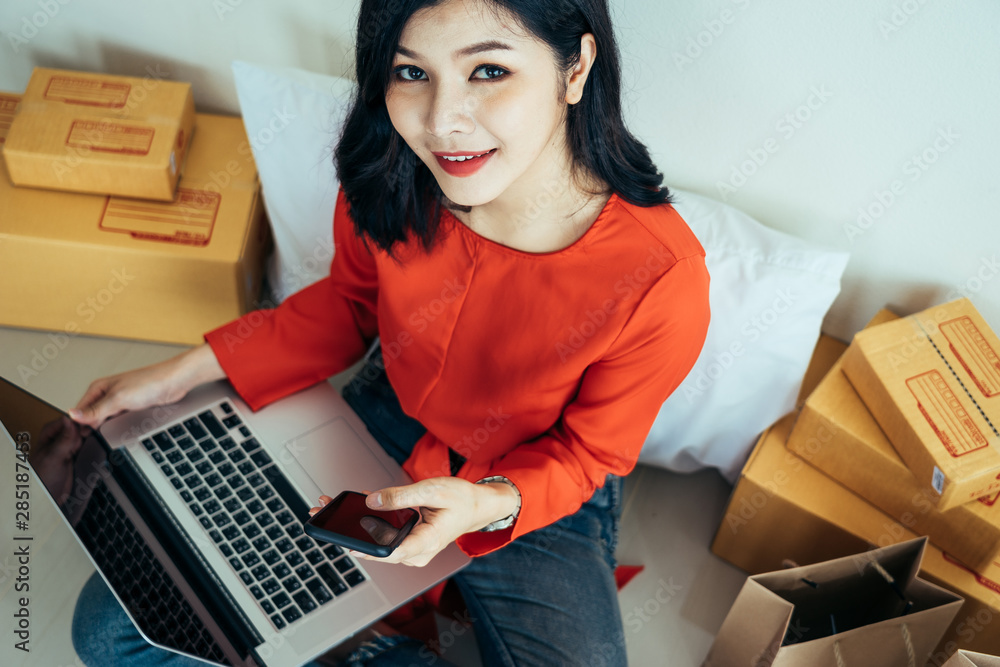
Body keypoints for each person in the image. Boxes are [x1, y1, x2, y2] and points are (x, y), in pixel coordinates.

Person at [69, 0, 711, 664]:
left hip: (533, 477)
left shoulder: (664, 277)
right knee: (111, 632)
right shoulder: (394, 173)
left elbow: (589, 454)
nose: (441, 123)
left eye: (488, 70)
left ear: (575, 68)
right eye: (411, 73)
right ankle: (370, 647)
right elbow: (350, 305)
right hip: (389, 412)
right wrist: (184, 369)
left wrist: (489, 503)